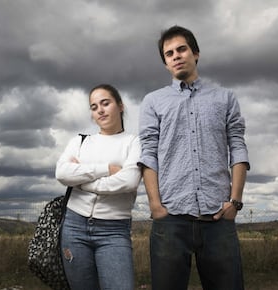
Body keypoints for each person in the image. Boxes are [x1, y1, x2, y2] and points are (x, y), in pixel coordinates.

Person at [138, 26, 250, 290]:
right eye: (169, 53)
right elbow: (148, 153)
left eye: (181, 49)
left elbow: (238, 146)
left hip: (218, 217)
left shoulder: (225, 98)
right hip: (171, 218)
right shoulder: (153, 101)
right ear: (165, 63)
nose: (176, 56)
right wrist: (156, 206)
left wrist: (235, 201)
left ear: (195, 53)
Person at [55, 84, 141, 290]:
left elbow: (128, 181)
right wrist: (107, 169)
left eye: (105, 103)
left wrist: (81, 182)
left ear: (120, 106)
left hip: (113, 230)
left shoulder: (135, 142)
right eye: (94, 107)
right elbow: (62, 173)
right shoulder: (80, 141)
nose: (100, 110)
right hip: (74, 227)